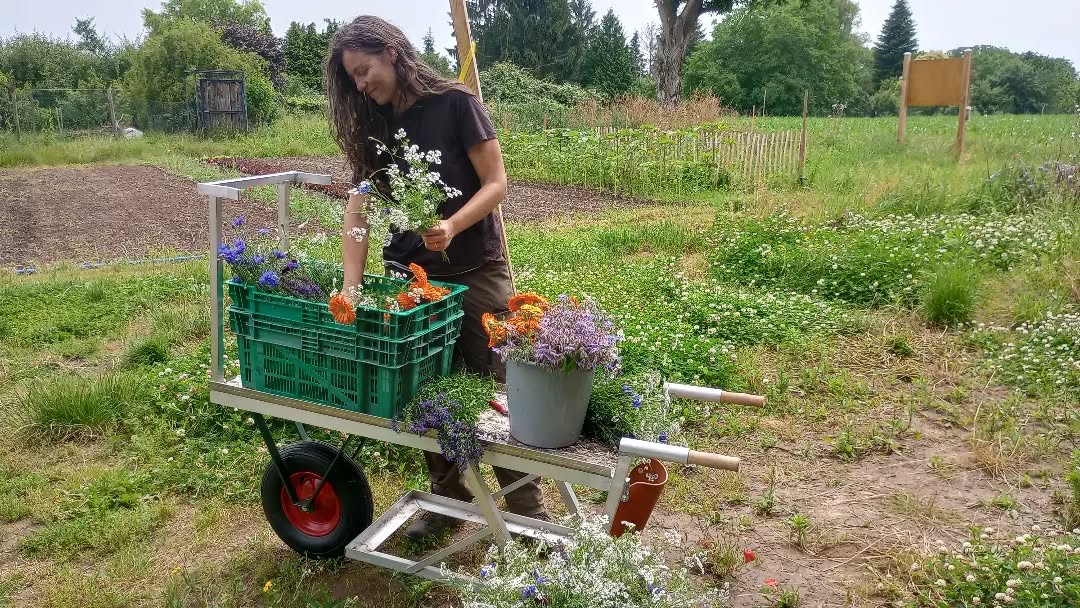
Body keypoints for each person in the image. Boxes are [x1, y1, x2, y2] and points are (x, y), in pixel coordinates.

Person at [325, 15, 549, 539]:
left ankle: (527, 512)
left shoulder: (455, 104)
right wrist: (352, 287)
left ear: (390, 51)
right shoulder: (372, 123)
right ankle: (448, 499)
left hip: (476, 272)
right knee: (427, 387)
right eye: (352, 79)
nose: (360, 85)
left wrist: (450, 225)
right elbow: (358, 210)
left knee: (499, 386)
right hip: (412, 281)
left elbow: (496, 183)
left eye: (363, 71)